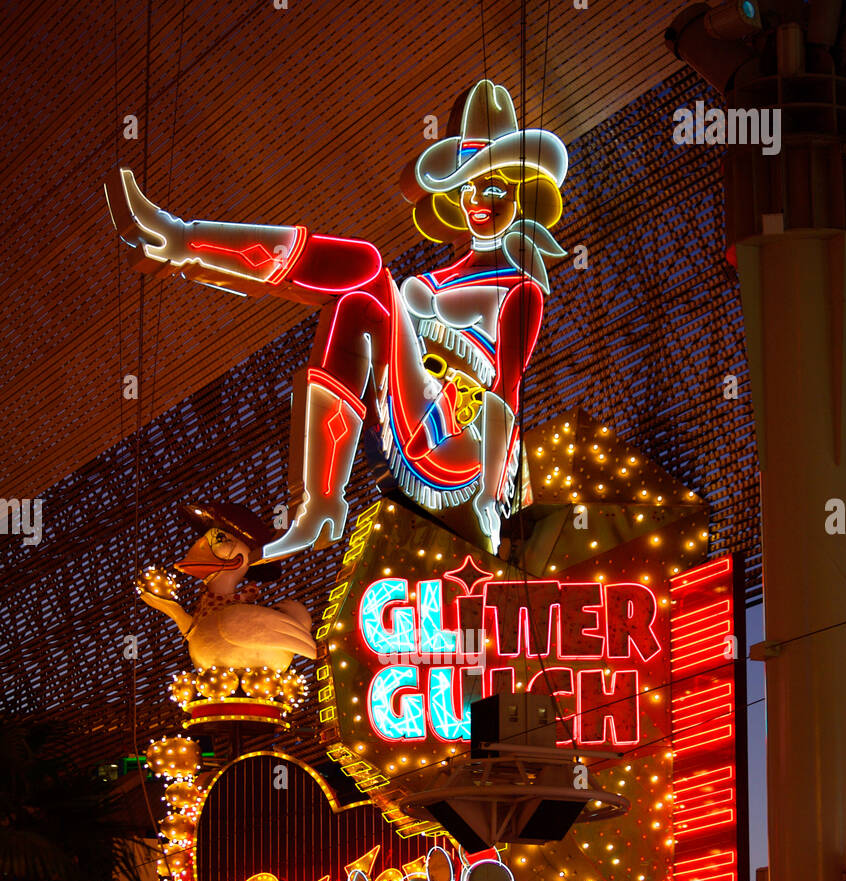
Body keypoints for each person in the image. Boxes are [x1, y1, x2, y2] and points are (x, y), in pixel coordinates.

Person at [104, 81, 568, 557]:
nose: (476, 200)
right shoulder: (443, 275)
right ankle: (321, 507)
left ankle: (183, 240)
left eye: (493, 187)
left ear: (522, 196)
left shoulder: (522, 289)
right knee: (353, 303)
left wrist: (493, 500)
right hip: (406, 412)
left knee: (367, 267)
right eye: (468, 187)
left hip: (455, 438)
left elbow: (507, 396)